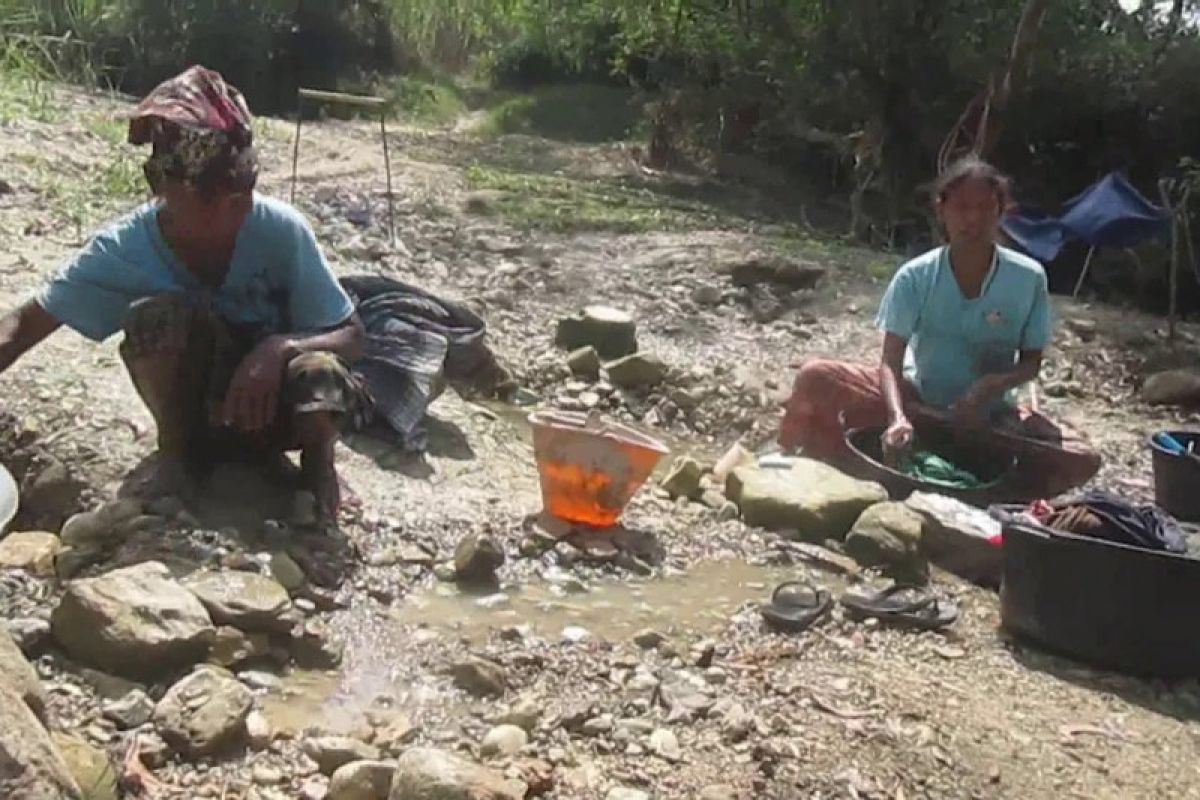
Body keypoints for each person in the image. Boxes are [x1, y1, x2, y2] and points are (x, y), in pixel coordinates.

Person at [0, 65, 372, 521]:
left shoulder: (281, 229)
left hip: (277, 417)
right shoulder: (126, 247)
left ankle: (319, 469)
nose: (235, 209)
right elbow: (23, 324)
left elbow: (352, 334)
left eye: (242, 194)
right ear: (164, 189)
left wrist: (279, 348)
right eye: (213, 197)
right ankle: (176, 462)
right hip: (198, 416)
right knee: (157, 316)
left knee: (322, 370)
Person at [780, 156, 1100, 498]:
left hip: (989, 416)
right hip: (917, 398)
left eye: (984, 208)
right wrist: (897, 416)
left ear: (1002, 211)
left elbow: (1030, 362)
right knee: (816, 377)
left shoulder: (1028, 278)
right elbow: (889, 360)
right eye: (962, 207)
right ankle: (826, 461)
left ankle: (990, 480)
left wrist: (990, 388)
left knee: (1082, 457)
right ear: (942, 210)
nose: (973, 219)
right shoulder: (916, 276)